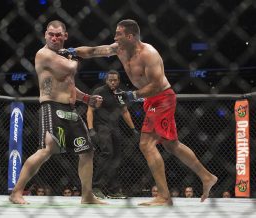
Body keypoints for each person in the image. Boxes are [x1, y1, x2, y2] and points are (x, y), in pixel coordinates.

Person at [63, 19, 217, 206]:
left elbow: (157, 85)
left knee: (146, 144)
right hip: (151, 100)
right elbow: (94, 51)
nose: (114, 37)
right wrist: (72, 51)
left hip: (162, 98)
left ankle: (164, 196)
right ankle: (207, 177)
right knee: (171, 145)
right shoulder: (118, 48)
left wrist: (131, 95)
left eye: (118, 34)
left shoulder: (148, 54)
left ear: (130, 36)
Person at [9, 20, 105, 205]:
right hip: (51, 107)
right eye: (51, 34)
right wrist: (75, 53)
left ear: (65, 36)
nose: (54, 38)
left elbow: (68, 85)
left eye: (58, 34)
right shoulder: (44, 54)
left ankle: (87, 196)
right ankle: (16, 192)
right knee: (47, 149)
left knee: (87, 151)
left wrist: (86, 99)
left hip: (69, 109)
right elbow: (71, 68)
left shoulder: (63, 55)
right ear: (45, 35)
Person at [87, 70, 138, 199]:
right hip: (102, 126)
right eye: (110, 80)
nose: (113, 82)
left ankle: (113, 190)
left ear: (118, 81)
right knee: (107, 153)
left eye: (115, 80)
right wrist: (91, 129)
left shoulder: (120, 94)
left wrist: (133, 129)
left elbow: (125, 112)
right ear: (106, 80)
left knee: (116, 158)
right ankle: (95, 187)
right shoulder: (99, 92)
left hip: (115, 127)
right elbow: (90, 110)